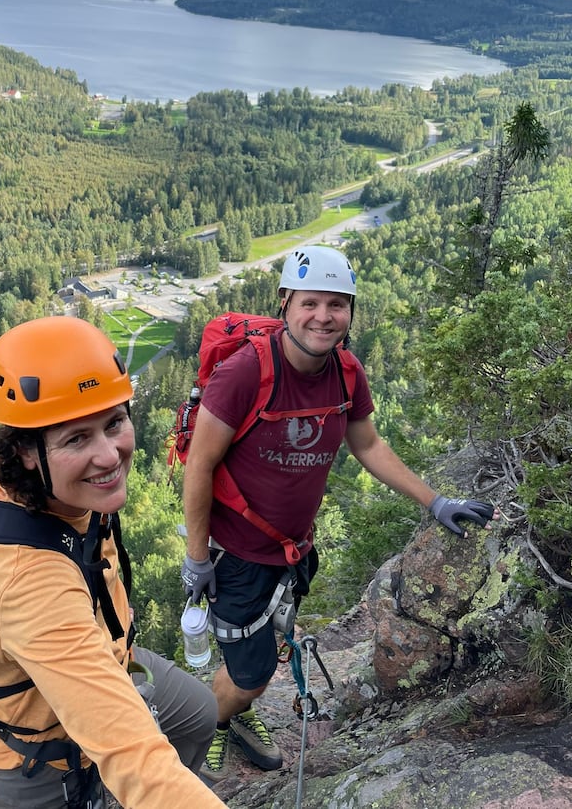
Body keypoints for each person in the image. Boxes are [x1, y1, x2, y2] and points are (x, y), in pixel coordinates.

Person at [181, 245, 498, 784]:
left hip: (294, 549)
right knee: (253, 674)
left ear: (351, 311)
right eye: (311, 302)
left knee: (259, 653)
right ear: (285, 303)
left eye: (337, 304)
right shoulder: (244, 374)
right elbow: (200, 466)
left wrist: (436, 501)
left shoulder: (346, 372)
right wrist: (197, 559)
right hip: (235, 555)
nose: (323, 316)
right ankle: (205, 724)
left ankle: (232, 706)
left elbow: (369, 445)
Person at [0, 315, 225, 809]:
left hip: (106, 658)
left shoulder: (48, 489)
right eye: (76, 438)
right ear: (27, 451)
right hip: (26, 764)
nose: (109, 455)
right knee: (142, 766)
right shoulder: (28, 580)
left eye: (114, 423)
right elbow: (133, 754)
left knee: (199, 713)